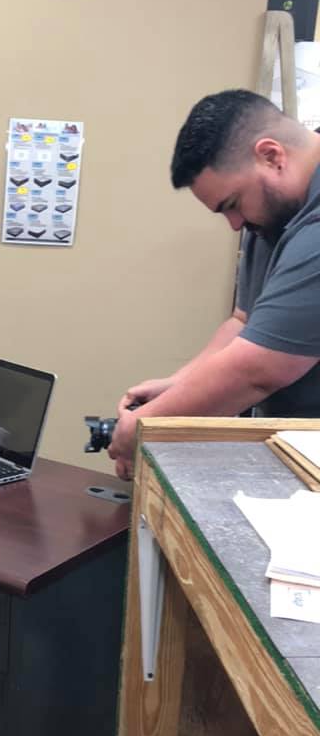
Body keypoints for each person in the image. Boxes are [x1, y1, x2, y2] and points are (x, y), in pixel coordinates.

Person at [108, 89, 320, 479]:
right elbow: (244, 322)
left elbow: (261, 369)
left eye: (232, 204)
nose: (235, 225)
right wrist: (178, 385)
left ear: (272, 156)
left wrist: (143, 428)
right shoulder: (274, 215)